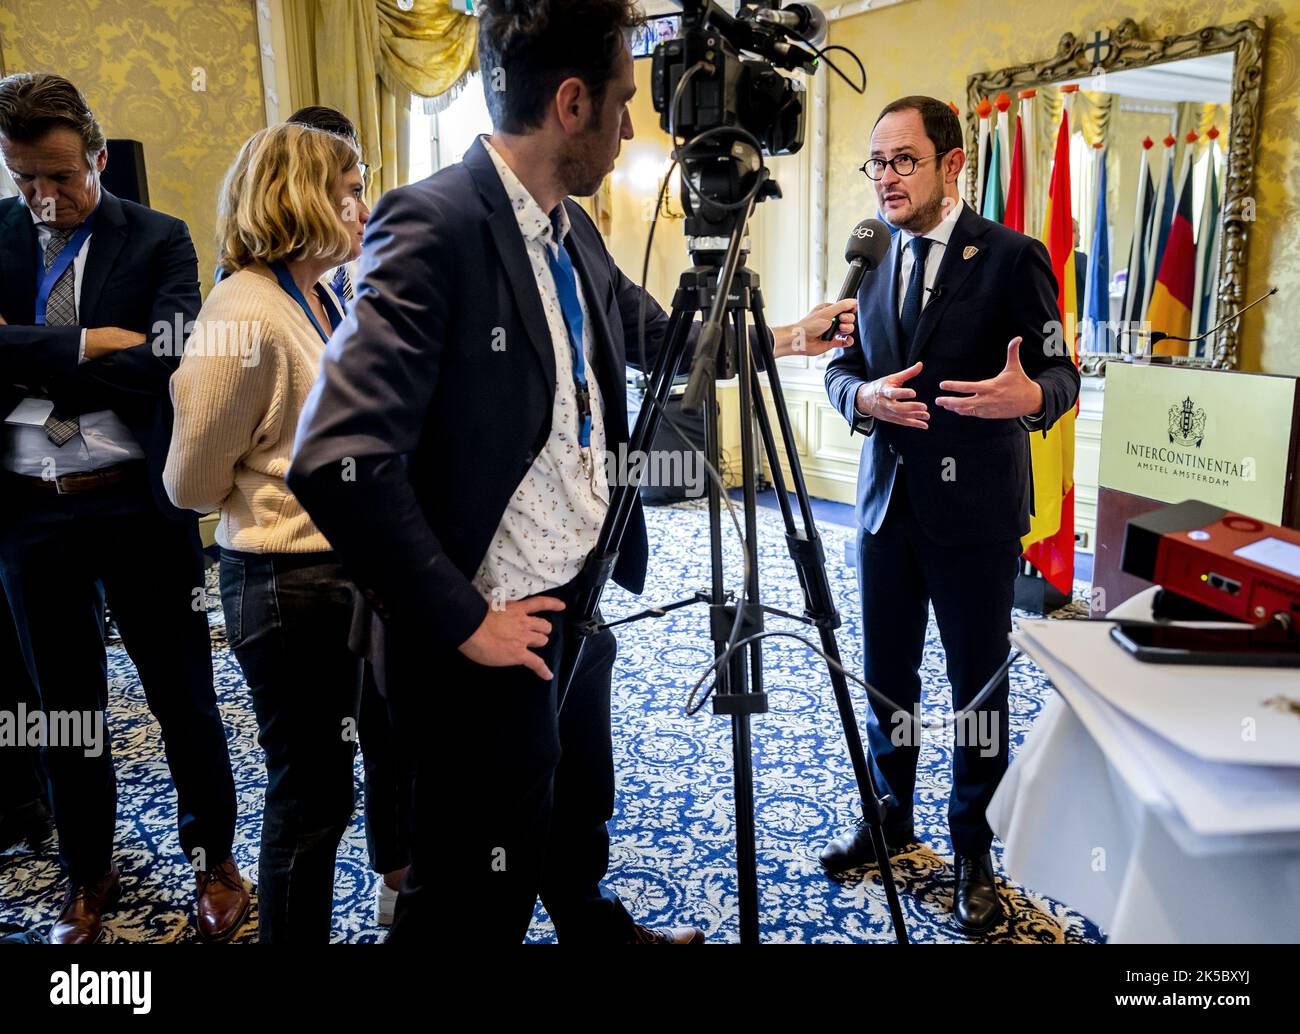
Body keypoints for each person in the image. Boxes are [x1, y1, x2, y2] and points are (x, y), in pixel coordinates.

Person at [287, 0, 858, 945]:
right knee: (476, 886)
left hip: (573, 596)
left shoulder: (570, 226)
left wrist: (788, 336)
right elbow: (337, 456)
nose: (637, 124)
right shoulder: (431, 225)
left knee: (574, 804)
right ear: (571, 104)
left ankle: (592, 923)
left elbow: (652, 335)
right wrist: (465, 619)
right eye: (624, 100)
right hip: (480, 637)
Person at [822, 95, 1080, 935]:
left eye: (904, 161)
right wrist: (859, 395)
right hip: (885, 512)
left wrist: (1031, 393)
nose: (886, 179)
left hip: (973, 518)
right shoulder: (870, 261)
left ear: (952, 164)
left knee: (978, 691)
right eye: (877, 163)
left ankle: (972, 845)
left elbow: (1061, 375)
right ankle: (891, 809)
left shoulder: (1011, 258)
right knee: (887, 679)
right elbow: (845, 369)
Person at [0, 71, 245, 944]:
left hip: (138, 510)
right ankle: (86, 869)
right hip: (31, 514)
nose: (44, 197)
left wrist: (21, 354)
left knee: (182, 693)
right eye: (25, 176)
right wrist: (84, 341)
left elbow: (166, 363)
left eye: (61, 175)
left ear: (98, 157)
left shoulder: (159, 239)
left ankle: (214, 856)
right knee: (62, 706)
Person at [164, 123, 371, 943]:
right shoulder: (241, 312)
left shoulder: (315, 290)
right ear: (299, 200)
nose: (362, 207)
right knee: (308, 801)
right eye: (348, 190)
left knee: (329, 789)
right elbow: (189, 485)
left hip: (332, 574)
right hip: (286, 586)